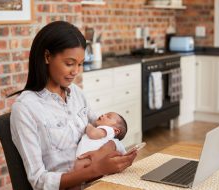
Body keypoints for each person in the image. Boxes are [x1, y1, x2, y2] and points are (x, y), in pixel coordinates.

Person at [9, 21, 137, 190]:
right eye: (69, 63)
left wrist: (114, 153)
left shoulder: (75, 93)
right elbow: (39, 181)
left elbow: (106, 129)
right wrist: (95, 168)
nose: (76, 71)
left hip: (100, 182)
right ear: (47, 57)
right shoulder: (25, 108)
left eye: (80, 64)